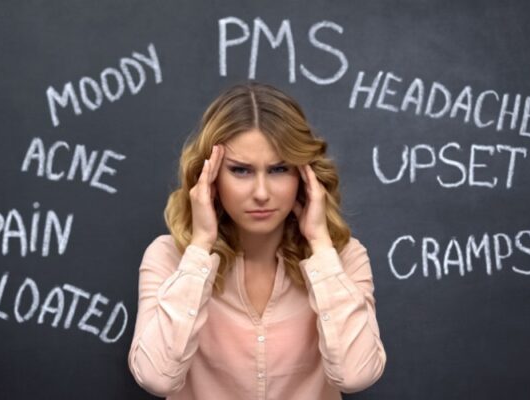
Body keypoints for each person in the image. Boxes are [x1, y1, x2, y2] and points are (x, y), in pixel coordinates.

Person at [128, 81, 386, 400]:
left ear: (304, 177)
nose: (262, 193)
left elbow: (356, 375)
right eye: (241, 171)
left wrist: (320, 244)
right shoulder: (168, 257)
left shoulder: (344, 258)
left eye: (279, 169)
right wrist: (201, 245)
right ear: (210, 176)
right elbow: (157, 379)